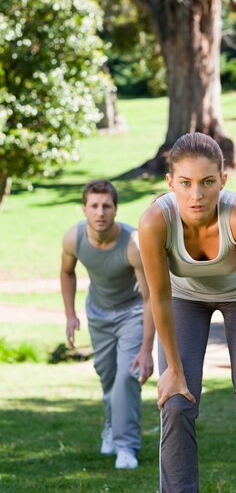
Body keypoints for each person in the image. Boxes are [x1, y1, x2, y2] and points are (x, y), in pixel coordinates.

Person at [139, 132, 236, 493]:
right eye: (185, 183)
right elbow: (160, 296)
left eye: (207, 182)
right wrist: (172, 368)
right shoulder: (155, 220)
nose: (196, 195)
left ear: (224, 180)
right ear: (170, 182)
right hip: (183, 300)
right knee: (175, 401)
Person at [60, 179, 155, 470]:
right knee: (108, 378)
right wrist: (70, 314)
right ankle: (111, 428)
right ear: (84, 209)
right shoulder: (73, 238)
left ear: (115, 209)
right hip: (98, 314)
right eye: (94, 206)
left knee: (127, 378)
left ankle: (127, 447)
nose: (100, 212)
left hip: (133, 313)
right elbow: (67, 272)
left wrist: (146, 349)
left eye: (106, 206)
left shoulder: (133, 244)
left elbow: (151, 297)